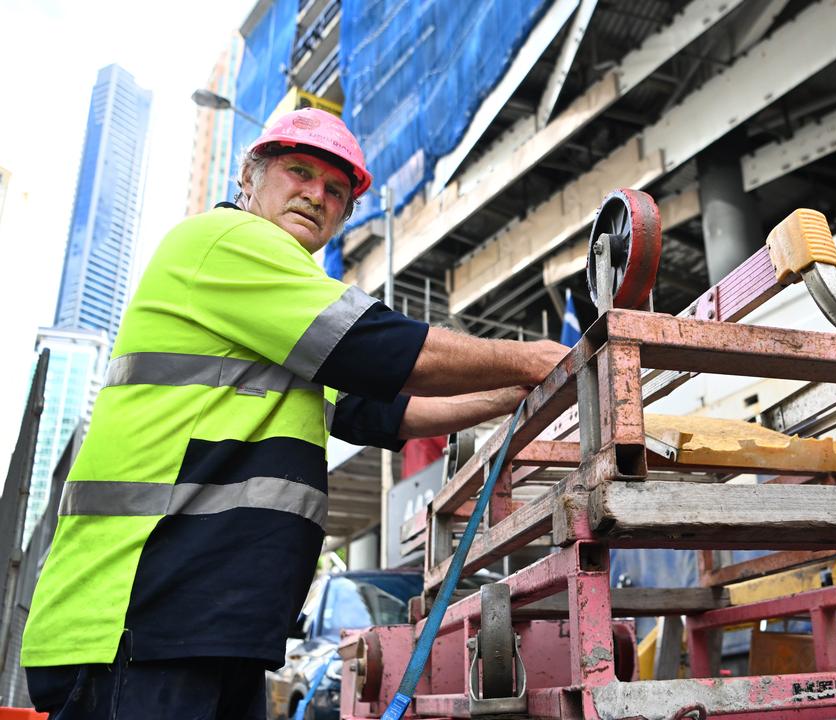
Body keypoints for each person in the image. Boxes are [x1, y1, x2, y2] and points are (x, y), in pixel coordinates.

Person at [20, 108, 568, 718]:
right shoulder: (224, 243)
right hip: (137, 615)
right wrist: (533, 358)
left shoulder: (278, 315)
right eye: (299, 172)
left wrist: (524, 391)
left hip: (208, 621)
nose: (317, 195)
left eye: (336, 190)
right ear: (248, 178)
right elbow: (381, 348)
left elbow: (384, 412)